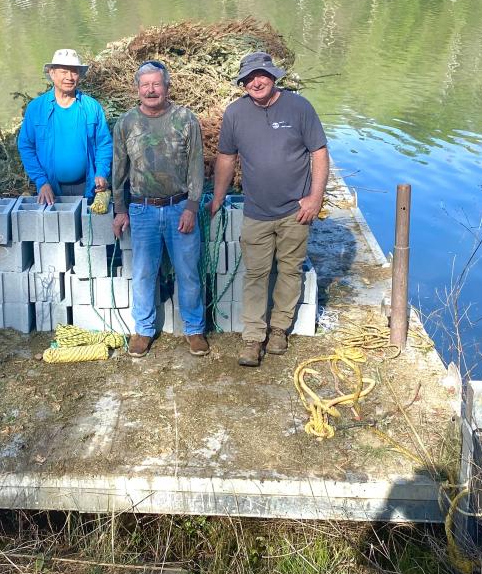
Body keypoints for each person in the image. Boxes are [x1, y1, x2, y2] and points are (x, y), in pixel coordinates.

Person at [210, 51, 329, 368]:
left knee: (290, 271)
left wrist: (315, 198)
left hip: (296, 210)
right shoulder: (235, 114)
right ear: (242, 83)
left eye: (260, 75)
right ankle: (252, 338)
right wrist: (218, 196)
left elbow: (319, 153)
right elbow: (225, 158)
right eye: (248, 78)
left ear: (273, 76)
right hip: (256, 212)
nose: (255, 82)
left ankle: (279, 330)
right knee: (256, 275)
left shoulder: (299, 107)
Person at [111, 61, 208, 358]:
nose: (151, 90)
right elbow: (119, 170)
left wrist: (192, 206)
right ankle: (143, 330)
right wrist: (120, 209)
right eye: (145, 85)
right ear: (137, 89)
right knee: (142, 273)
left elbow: (196, 165)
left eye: (156, 84)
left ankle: (194, 330)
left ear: (166, 87)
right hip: (142, 211)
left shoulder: (185, 119)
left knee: (188, 272)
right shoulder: (126, 123)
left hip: (180, 207)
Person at [17, 48, 112, 204]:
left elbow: (104, 144)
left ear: (79, 75)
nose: (69, 77)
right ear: (52, 73)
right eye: (63, 72)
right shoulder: (36, 108)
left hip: (87, 186)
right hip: (50, 189)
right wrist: (41, 182)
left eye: (74, 72)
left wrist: (101, 172)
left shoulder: (91, 107)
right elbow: (26, 146)